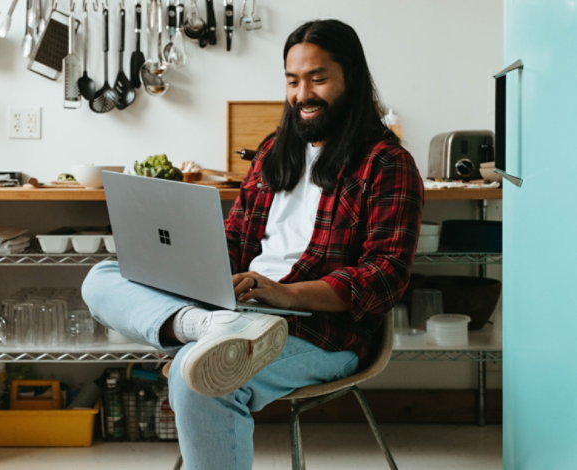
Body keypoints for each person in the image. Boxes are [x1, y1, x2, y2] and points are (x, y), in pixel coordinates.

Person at [82, 19, 424, 470]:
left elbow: (386, 277)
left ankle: (209, 336)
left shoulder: (387, 163)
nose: (302, 95)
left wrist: (286, 293)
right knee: (102, 276)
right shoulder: (273, 151)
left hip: (318, 331)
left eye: (318, 79)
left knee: (198, 377)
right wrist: (190, 267)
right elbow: (237, 239)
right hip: (234, 313)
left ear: (352, 78)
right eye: (292, 80)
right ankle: (201, 327)